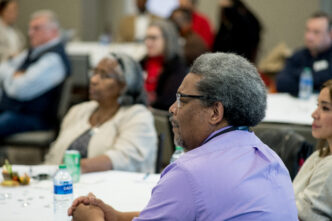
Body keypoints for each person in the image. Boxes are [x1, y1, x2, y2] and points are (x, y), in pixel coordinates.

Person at [68, 52, 298, 221]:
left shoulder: (190, 172)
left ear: (215, 112)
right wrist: (117, 217)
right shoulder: (271, 159)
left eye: (182, 100)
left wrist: (90, 219)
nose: (172, 109)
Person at [45, 53, 157, 174]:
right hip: (63, 183)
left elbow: (123, 158)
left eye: (104, 76)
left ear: (124, 85)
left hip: (113, 187)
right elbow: (54, 154)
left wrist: (76, 167)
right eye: (94, 73)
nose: (93, 80)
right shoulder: (78, 111)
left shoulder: (137, 116)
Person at [0, 10, 70, 138]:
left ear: (53, 31)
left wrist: (9, 79)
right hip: (14, 111)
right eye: (30, 28)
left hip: (36, 117)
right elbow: (2, 68)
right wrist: (14, 75)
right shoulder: (34, 51)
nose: (30, 33)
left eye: (36, 28)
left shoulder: (53, 59)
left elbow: (19, 90)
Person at [293, 79, 332, 220]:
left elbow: (302, 215)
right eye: (318, 106)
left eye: (325, 108)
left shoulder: (330, 168)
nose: (314, 114)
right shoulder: (319, 155)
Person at [276, 12, 332, 96]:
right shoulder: (298, 55)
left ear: (330, 34)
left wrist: (299, 76)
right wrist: (314, 80)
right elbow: (281, 83)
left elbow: (328, 83)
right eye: (308, 30)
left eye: (316, 32)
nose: (309, 37)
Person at [141, 19, 187, 110]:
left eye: (153, 38)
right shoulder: (142, 62)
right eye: (147, 38)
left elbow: (168, 101)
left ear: (168, 39)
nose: (148, 43)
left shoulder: (176, 67)